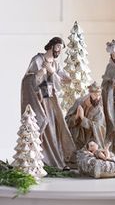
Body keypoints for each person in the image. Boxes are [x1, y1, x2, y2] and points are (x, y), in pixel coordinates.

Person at [21, 37, 76, 169]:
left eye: (61, 49)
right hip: (39, 99)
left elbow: (63, 80)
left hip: (50, 99)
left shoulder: (56, 65)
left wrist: (54, 73)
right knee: (43, 123)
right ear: (51, 46)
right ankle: (41, 160)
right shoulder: (37, 60)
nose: (59, 51)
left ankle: (55, 158)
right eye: (58, 47)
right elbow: (27, 80)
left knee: (54, 127)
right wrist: (39, 74)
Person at [65, 82, 106, 150]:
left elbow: (99, 127)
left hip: (89, 139)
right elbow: (67, 120)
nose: (98, 98)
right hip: (76, 136)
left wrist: (83, 118)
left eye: (99, 95)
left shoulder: (99, 110)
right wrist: (76, 117)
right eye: (95, 95)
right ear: (90, 93)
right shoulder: (79, 102)